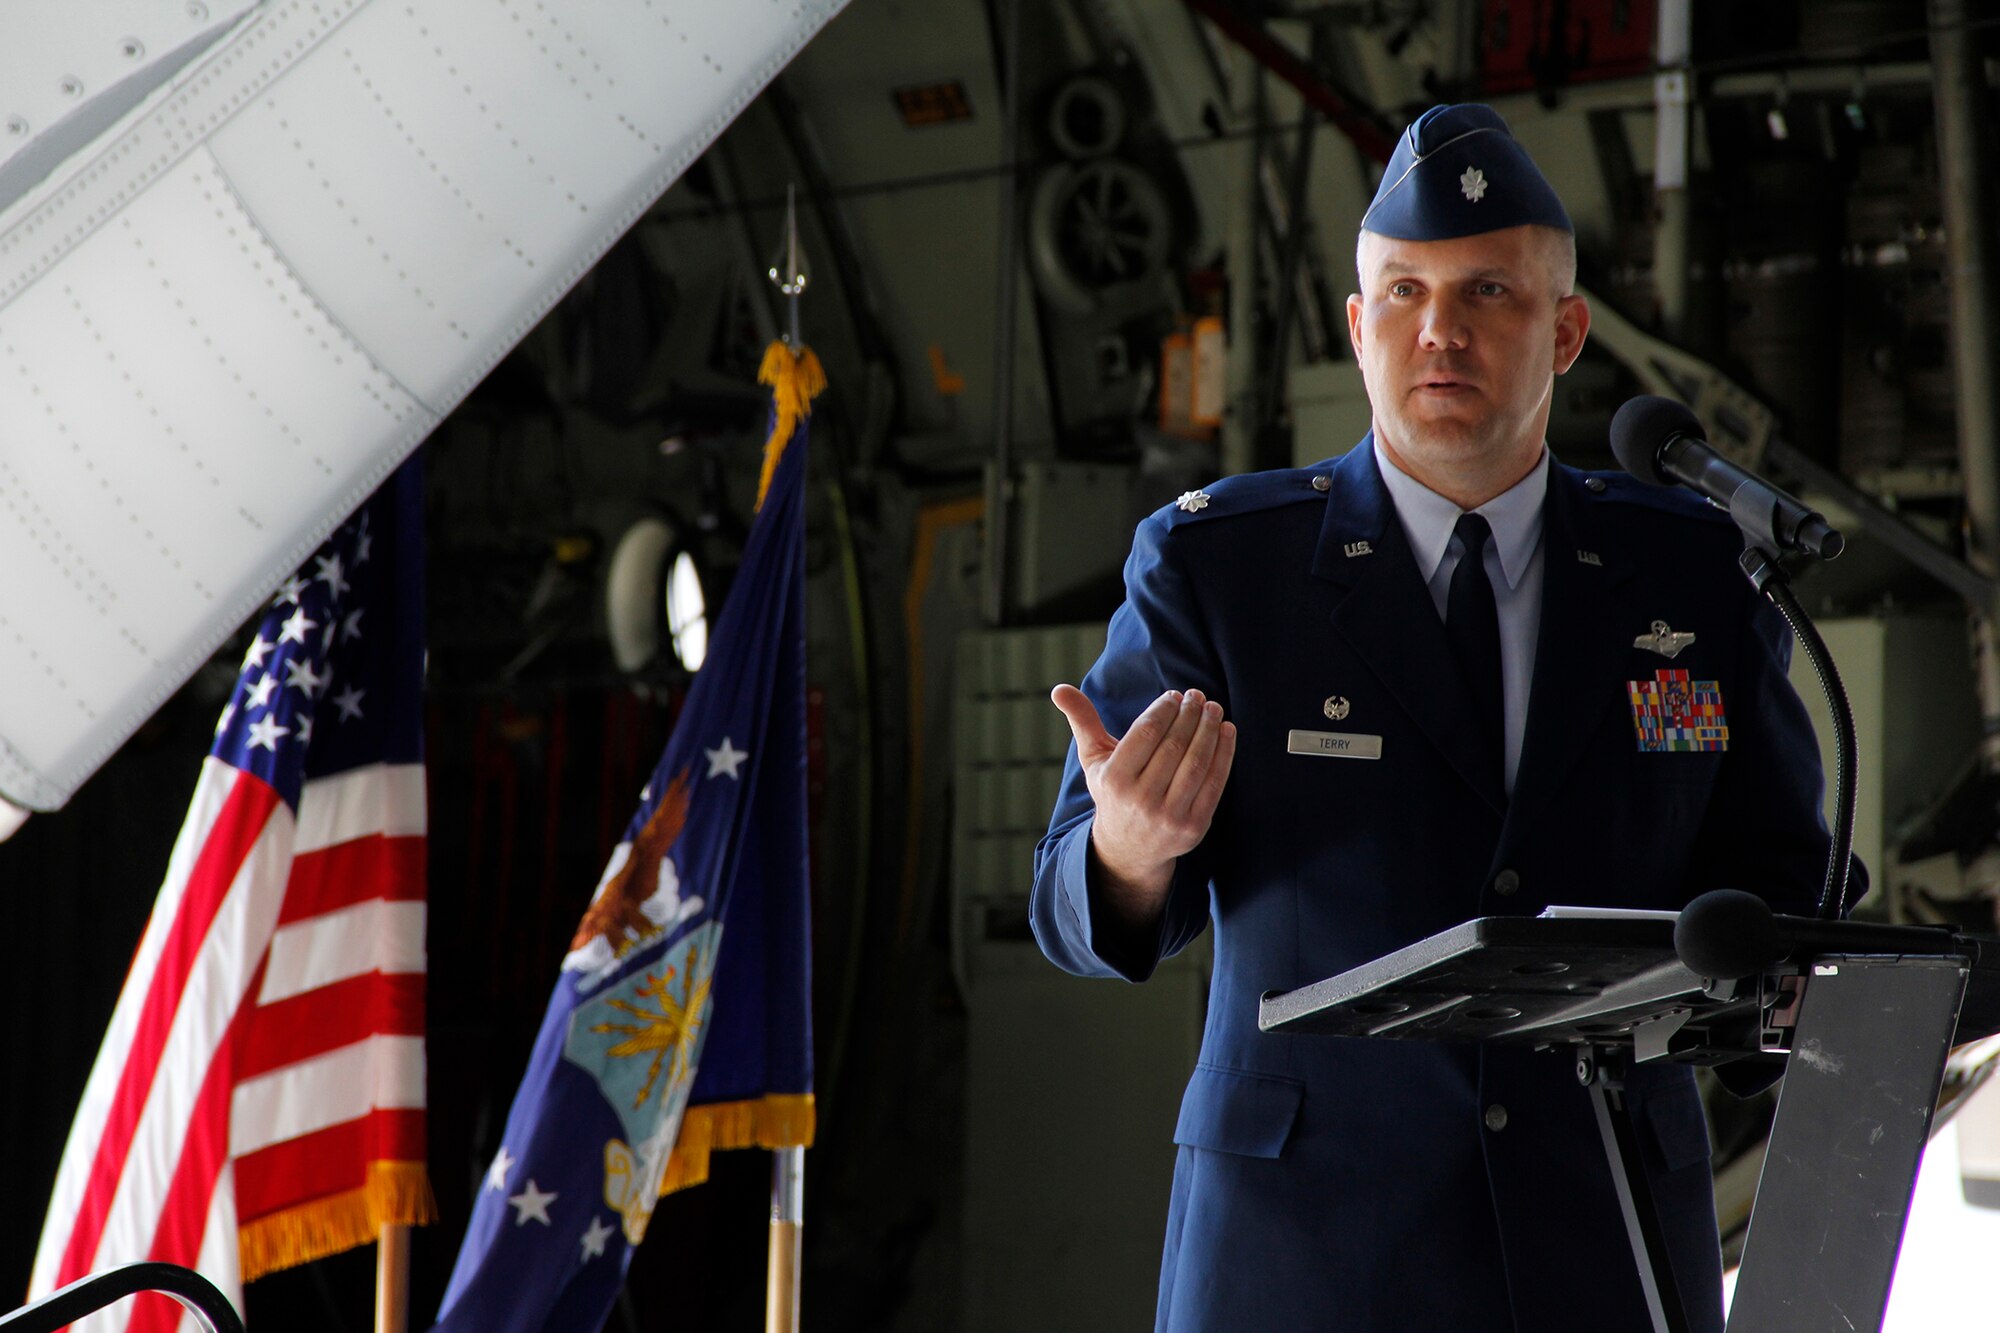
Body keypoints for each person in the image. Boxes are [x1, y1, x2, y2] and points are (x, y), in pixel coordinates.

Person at [1030, 103, 1839, 1333]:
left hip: (1598, 1236)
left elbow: (1780, 892)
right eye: (1401, 293)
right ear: (1357, 331)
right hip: (1300, 1253)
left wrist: (1787, 994)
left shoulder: (1688, 575)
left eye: (1486, 294)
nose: (1437, 332)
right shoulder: (1222, 571)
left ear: (1564, 331)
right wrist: (1128, 852)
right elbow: (1067, 909)